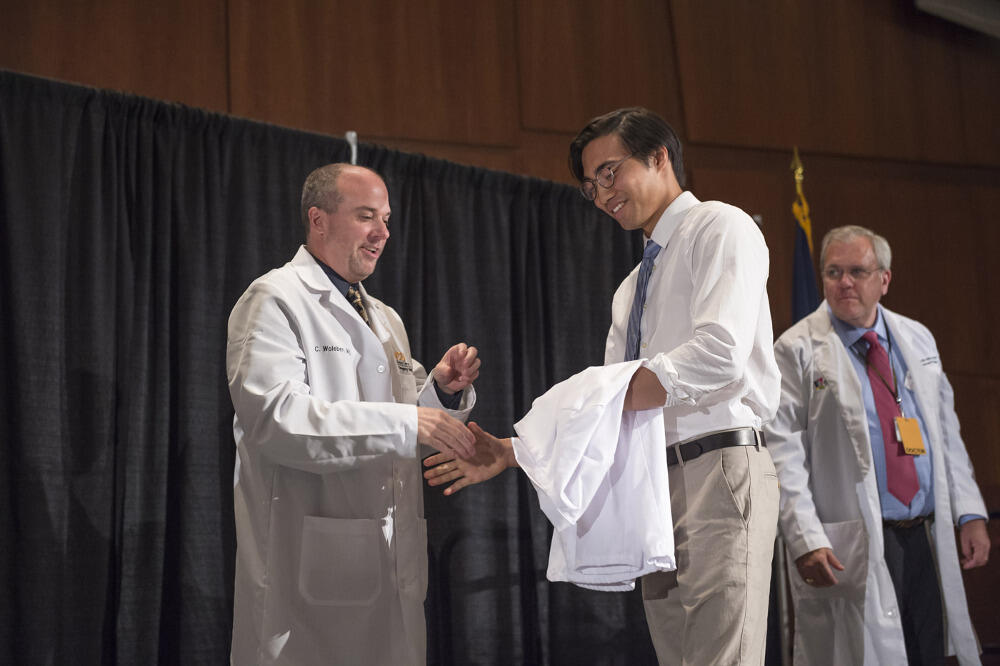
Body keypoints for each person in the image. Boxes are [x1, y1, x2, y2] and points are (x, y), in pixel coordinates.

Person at [426, 107, 782, 665]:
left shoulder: (720, 225)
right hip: (650, 481)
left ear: (660, 156)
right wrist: (512, 452)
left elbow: (720, 357)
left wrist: (604, 396)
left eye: (610, 173)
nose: (602, 194)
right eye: (591, 187)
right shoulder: (630, 288)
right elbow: (612, 413)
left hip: (719, 467)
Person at [226, 163, 481, 665]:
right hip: (309, 579)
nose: (383, 233)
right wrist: (410, 422)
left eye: (386, 219)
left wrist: (440, 396)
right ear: (318, 220)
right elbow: (277, 422)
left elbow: (401, 429)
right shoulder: (274, 299)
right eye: (367, 216)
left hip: (389, 561)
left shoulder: (385, 318)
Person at [764, 225, 990, 665]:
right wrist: (805, 537)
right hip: (854, 538)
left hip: (923, 533)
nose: (844, 282)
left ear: (883, 279)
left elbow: (946, 432)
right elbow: (783, 454)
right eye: (833, 272)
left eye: (857, 271)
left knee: (927, 650)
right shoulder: (796, 348)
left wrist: (971, 512)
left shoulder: (916, 338)